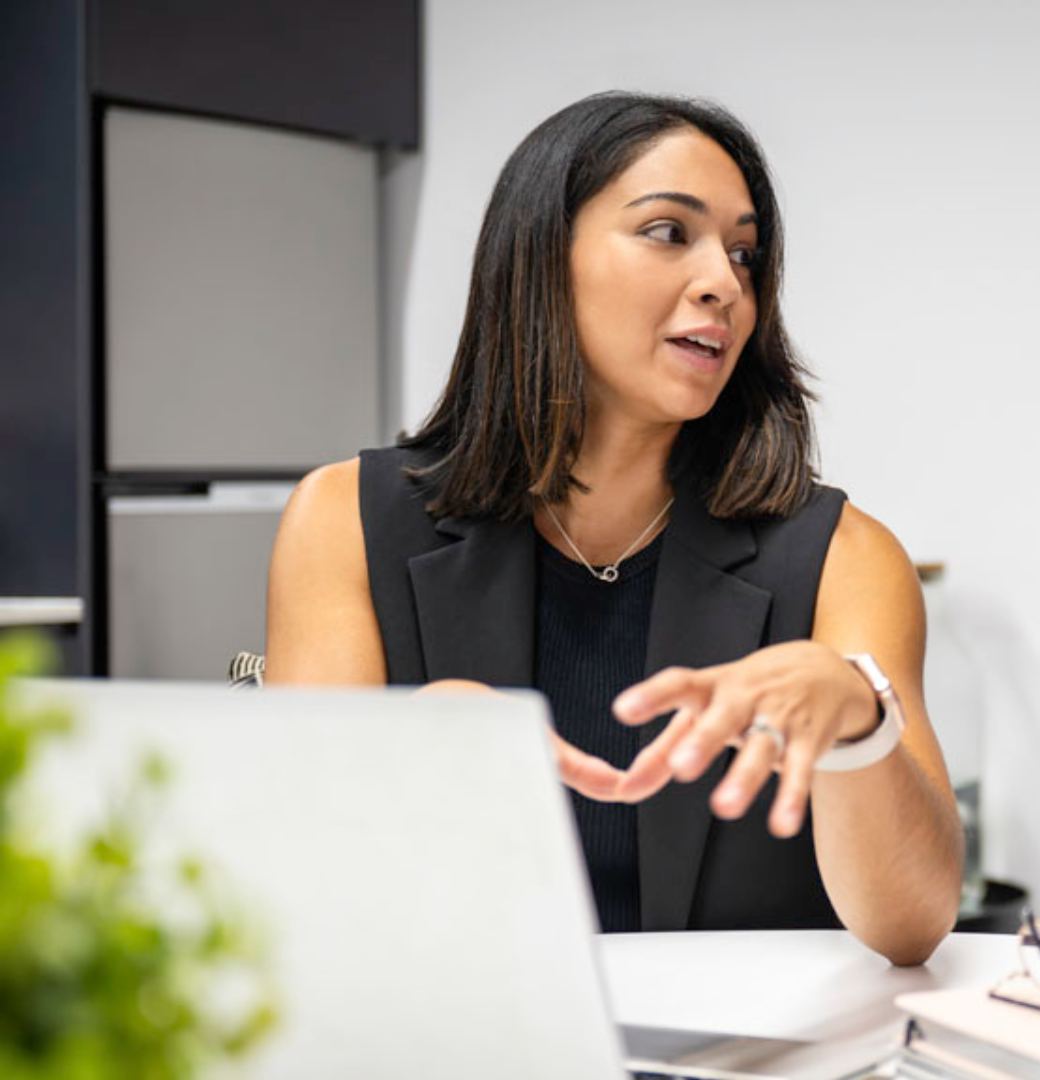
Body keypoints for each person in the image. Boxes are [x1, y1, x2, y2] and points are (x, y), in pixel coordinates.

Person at [264, 92, 962, 965]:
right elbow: (298, 893)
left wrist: (858, 725)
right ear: (540, 258)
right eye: (669, 232)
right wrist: (404, 753)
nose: (724, 284)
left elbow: (916, 924)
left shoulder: (844, 558)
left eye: (744, 254)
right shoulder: (344, 520)